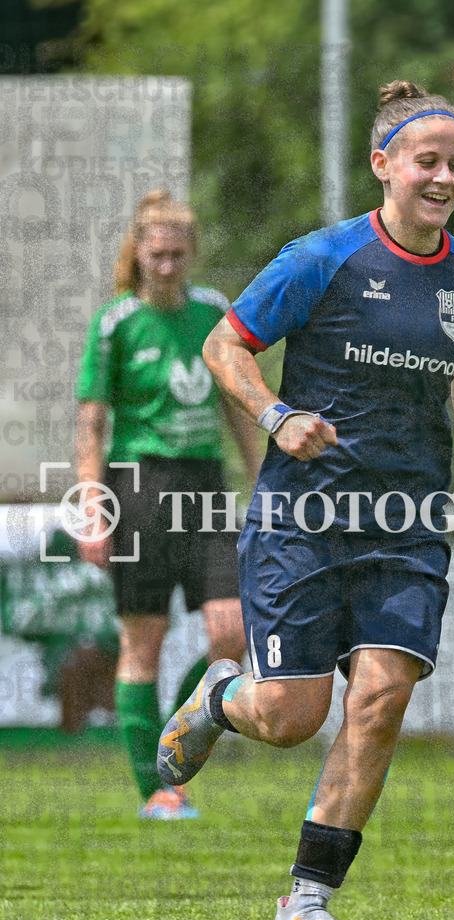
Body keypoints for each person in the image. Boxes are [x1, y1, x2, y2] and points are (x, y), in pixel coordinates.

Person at [157, 81, 454, 920]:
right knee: (291, 717)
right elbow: (223, 345)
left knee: (379, 700)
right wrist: (277, 415)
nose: (444, 178)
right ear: (383, 166)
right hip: (302, 522)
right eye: (427, 161)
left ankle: (307, 901)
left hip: (406, 527)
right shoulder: (320, 259)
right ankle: (223, 696)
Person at [75, 191, 261, 819]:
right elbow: (91, 424)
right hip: (138, 485)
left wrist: (264, 482)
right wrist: (92, 507)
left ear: (192, 255)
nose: (168, 265)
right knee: (143, 642)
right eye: (157, 254)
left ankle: (184, 728)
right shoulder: (115, 321)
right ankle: (157, 788)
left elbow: (240, 404)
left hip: (206, 484)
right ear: (139, 253)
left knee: (232, 633)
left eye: (179, 254)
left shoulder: (213, 310)